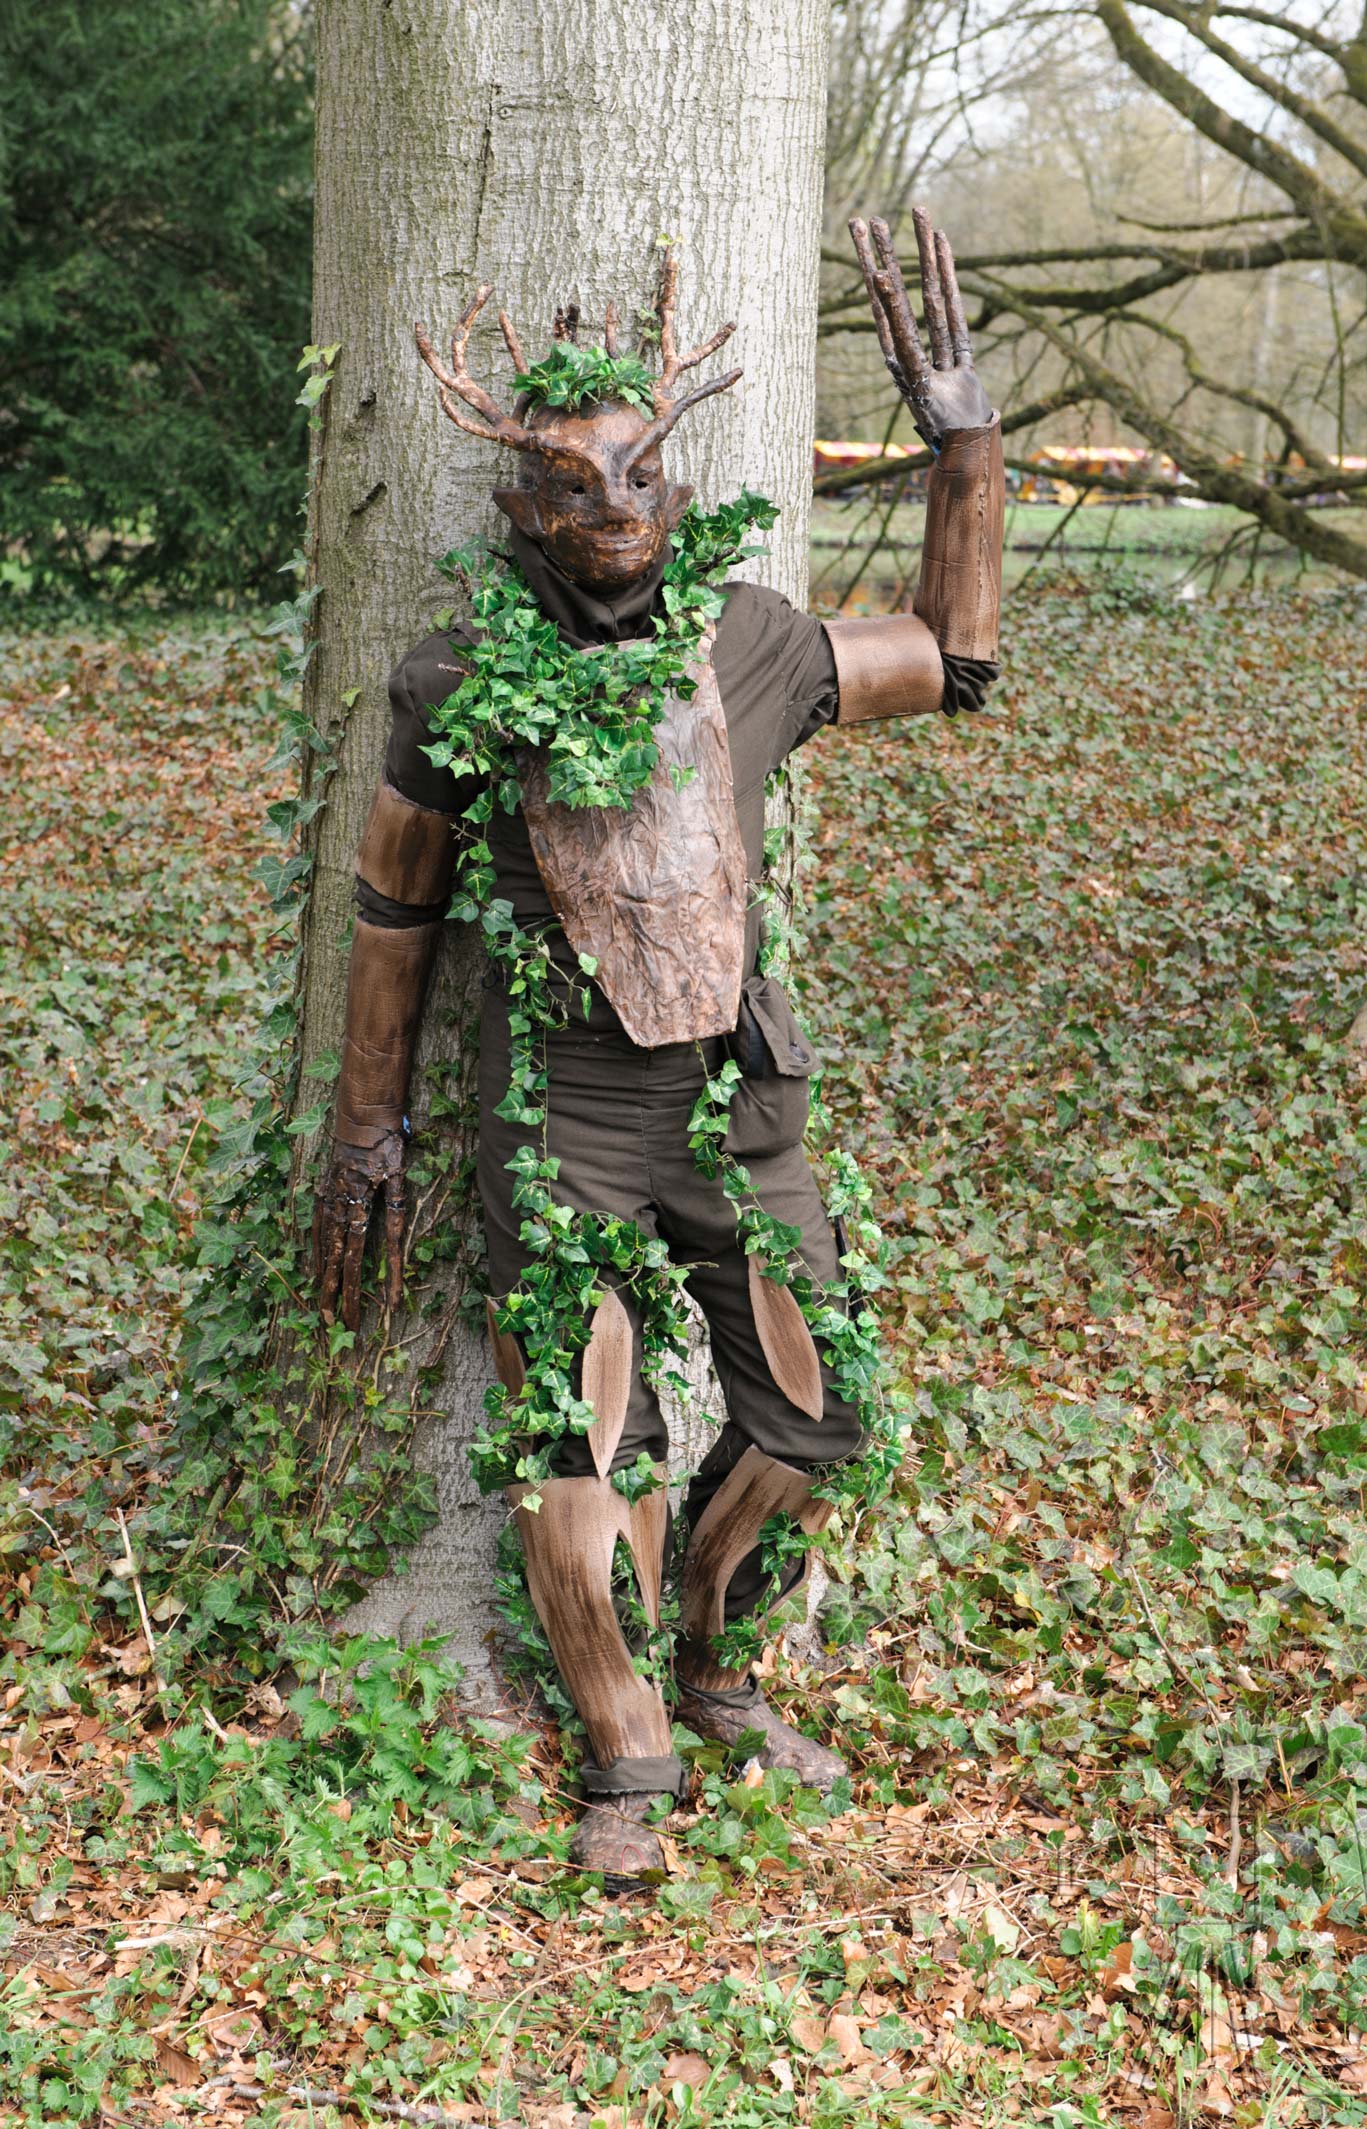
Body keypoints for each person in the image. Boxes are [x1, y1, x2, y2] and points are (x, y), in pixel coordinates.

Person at [311, 210, 1003, 1885]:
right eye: (572, 485)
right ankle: (625, 1748)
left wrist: (966, 453)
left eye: (638, 475)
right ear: (520, 508)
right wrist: (365, 1115)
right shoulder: (460, 677)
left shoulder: (748, 642)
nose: (613, 509)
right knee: (583, 1438)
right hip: (565, 1113)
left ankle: (720, 1664)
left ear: (676, 488)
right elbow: (395, 899)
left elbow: (951, 655)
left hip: (738, 1100)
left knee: (816, 1408)